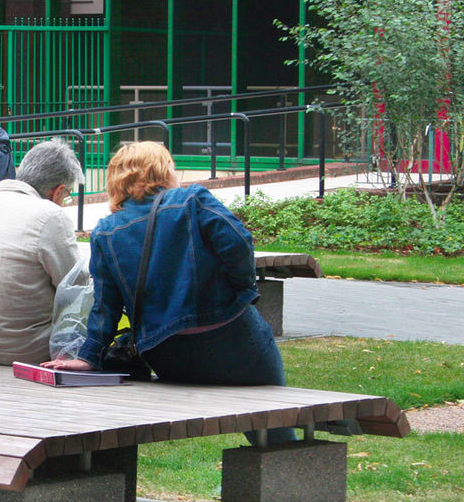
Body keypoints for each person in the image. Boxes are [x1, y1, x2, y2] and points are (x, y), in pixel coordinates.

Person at [42, 141, 297, 446]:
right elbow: (239, 243)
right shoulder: (192, 199)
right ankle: (283, 464)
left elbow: (105, 306)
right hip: (233, 341)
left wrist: (88, 356)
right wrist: (243, 290)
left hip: (169, 356)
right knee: (275, 419)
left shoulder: (106, 231)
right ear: (161, 170)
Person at [0, 139, 83, 365]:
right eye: (67, 195)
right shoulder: (50, 215)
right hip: (32, 351)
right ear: (58, 191)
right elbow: (74, 287)